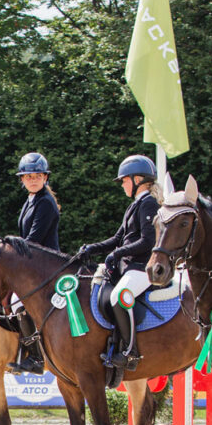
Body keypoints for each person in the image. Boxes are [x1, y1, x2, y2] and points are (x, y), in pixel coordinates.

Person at [78, 155, 161, 370]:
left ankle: (130, 353)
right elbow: (117, 239)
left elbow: (148, 241)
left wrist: (117, 254)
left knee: (118, 297)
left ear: (138, 180)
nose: (122, 184)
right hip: (128, 267)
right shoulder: (134, 206)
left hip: (142, 268)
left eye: (124, 180)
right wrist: (91, 248)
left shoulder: (149, 204)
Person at [7, 152, 60, 375]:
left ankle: (37, 358)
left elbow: (34, 240)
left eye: (37, 175)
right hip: (33, 264)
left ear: (45, 178)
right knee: (11, 301)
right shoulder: (31, 200)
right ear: (22, 180)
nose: (32, 180)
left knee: (18, 303)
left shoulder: (46, 203)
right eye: (28, 176)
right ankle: (21, 350)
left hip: (46, 267)